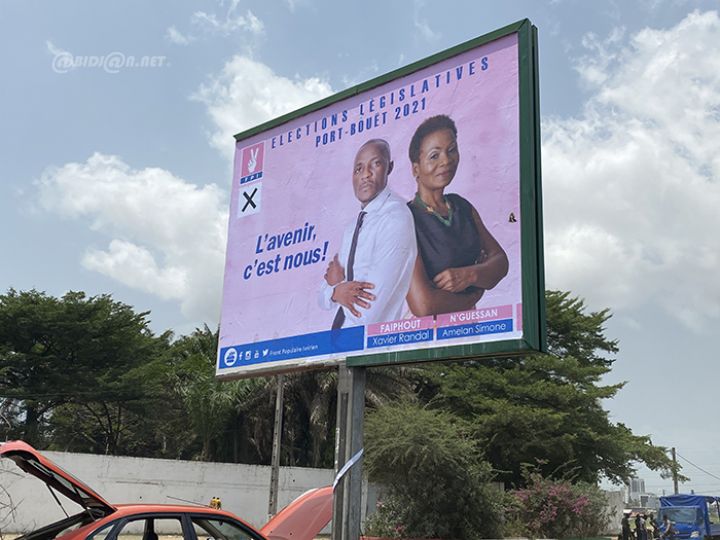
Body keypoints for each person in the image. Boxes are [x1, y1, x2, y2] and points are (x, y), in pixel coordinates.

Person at [404, 114, 509, 317]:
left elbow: (501, 261)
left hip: (466, 327)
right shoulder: (405, 218)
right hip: (423, 335)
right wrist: (473, 296)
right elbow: (424, 305)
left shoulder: (462, 207)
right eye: (434, 156)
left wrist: (469, 275)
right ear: (416, 169)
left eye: (451, 150)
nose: (446, 160)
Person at [319, 139, 417, 328]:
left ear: (389, 167)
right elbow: (321, 296)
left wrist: (336, 287)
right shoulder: (352, 228)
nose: (365, 174)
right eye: (358, 169)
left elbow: (365, 313)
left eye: (375, 164)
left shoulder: (396, 219)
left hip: (373, 350)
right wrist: (335, 291)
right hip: (337, 347)